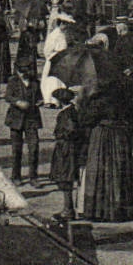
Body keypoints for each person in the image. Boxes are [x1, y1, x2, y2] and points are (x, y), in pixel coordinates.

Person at [79, 79, 133, 222]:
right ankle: (120, 209)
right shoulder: (127, 94)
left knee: (99, 171)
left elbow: (85, 119)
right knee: (119, 171)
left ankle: (99, 210)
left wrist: (82, 101)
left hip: (102, 137)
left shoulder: (98, 100)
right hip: (120, 137)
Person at [48, 87, 86, 223]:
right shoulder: (73, 111)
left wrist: (60, 135)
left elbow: (72, 130)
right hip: (69, 148)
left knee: (65, 178)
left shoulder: (66, 114)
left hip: (66, 149)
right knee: (67, 178)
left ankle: (68, 209)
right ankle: (68, 208)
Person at [4, 64, 42, 184]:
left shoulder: (35, 83)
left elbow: (39, 97)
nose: (23, 75)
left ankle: (33, 177)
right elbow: (8, 97)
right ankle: (16, 176)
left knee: (34, 147)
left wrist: (39, 101)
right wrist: (17, 102)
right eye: (21, 73)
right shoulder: (13, 81)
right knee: (17, 149)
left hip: (32, 119)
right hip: (16, 119)